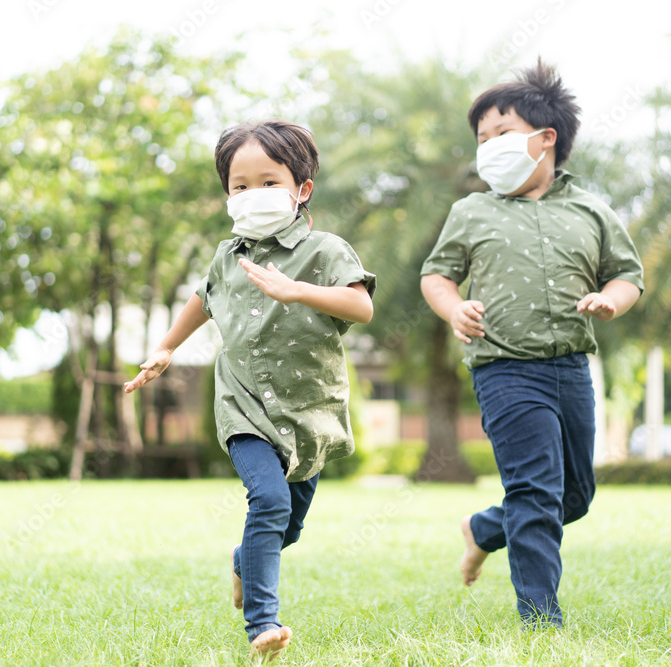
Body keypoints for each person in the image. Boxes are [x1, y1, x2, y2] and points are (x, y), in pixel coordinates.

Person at [124, 120, 374, 660]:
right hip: (244, 407)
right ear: (227, 194)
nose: (252, 195)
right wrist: (166, 348)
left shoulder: (326, 250)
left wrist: (299, 290)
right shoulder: (225, 255)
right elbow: (201, 298)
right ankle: (262, 622)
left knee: (289, 524)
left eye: (268, 182)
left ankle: (244, 561)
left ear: (301, 189)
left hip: (310, 412)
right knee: (268, 499)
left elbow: (362, 306)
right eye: (240, 186)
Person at [420, 60, 644, 628]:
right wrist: (454, 308)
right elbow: (436, 275)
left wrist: (611, 300)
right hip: (504, 369)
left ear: (545, 139)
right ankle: (540, 621)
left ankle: (484, 528)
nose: (489, 146)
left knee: (574, 497)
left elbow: (627, 275)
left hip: (570, 367)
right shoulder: (471, 211)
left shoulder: (592, 210)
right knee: (536, 490)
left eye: (502, 134)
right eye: (482, 139)